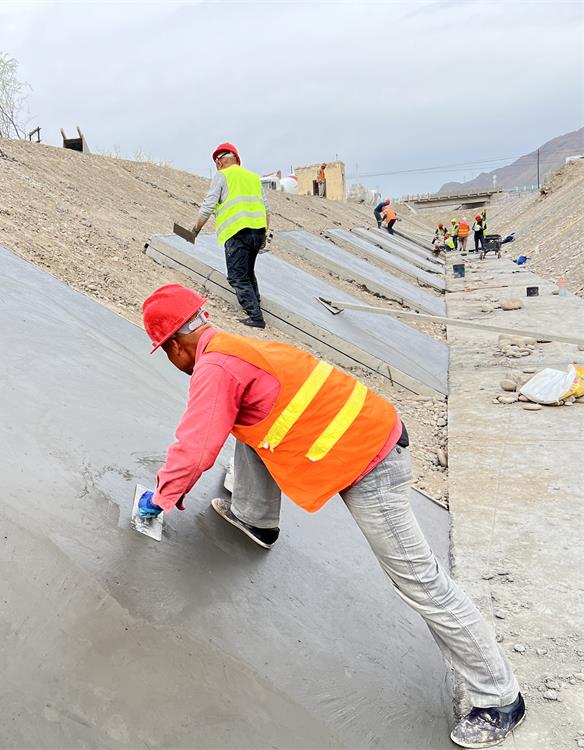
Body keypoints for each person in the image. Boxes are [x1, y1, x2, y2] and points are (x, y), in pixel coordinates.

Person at [136, 284, 526, 749]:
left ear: (176, 345)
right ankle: (255, 517)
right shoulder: (233, 348)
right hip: (367, 434)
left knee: (421, 582)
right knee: (247, 420)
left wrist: (161, 497)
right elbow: (243, 421)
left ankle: (500, 698)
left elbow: (196, 448)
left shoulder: (216, 368)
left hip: (371, 464)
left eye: (167, 352)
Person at [191, 142, 269, 329]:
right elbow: (266, 209)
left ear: (220, 162)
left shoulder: (222, 176)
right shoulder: (253, 177)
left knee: (237, 276)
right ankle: (255, 306)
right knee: (248, 272)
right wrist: (265, 234)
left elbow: (208, 206)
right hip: (258, 232)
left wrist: (194, 230)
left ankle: (256, 317)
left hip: (237, 232)